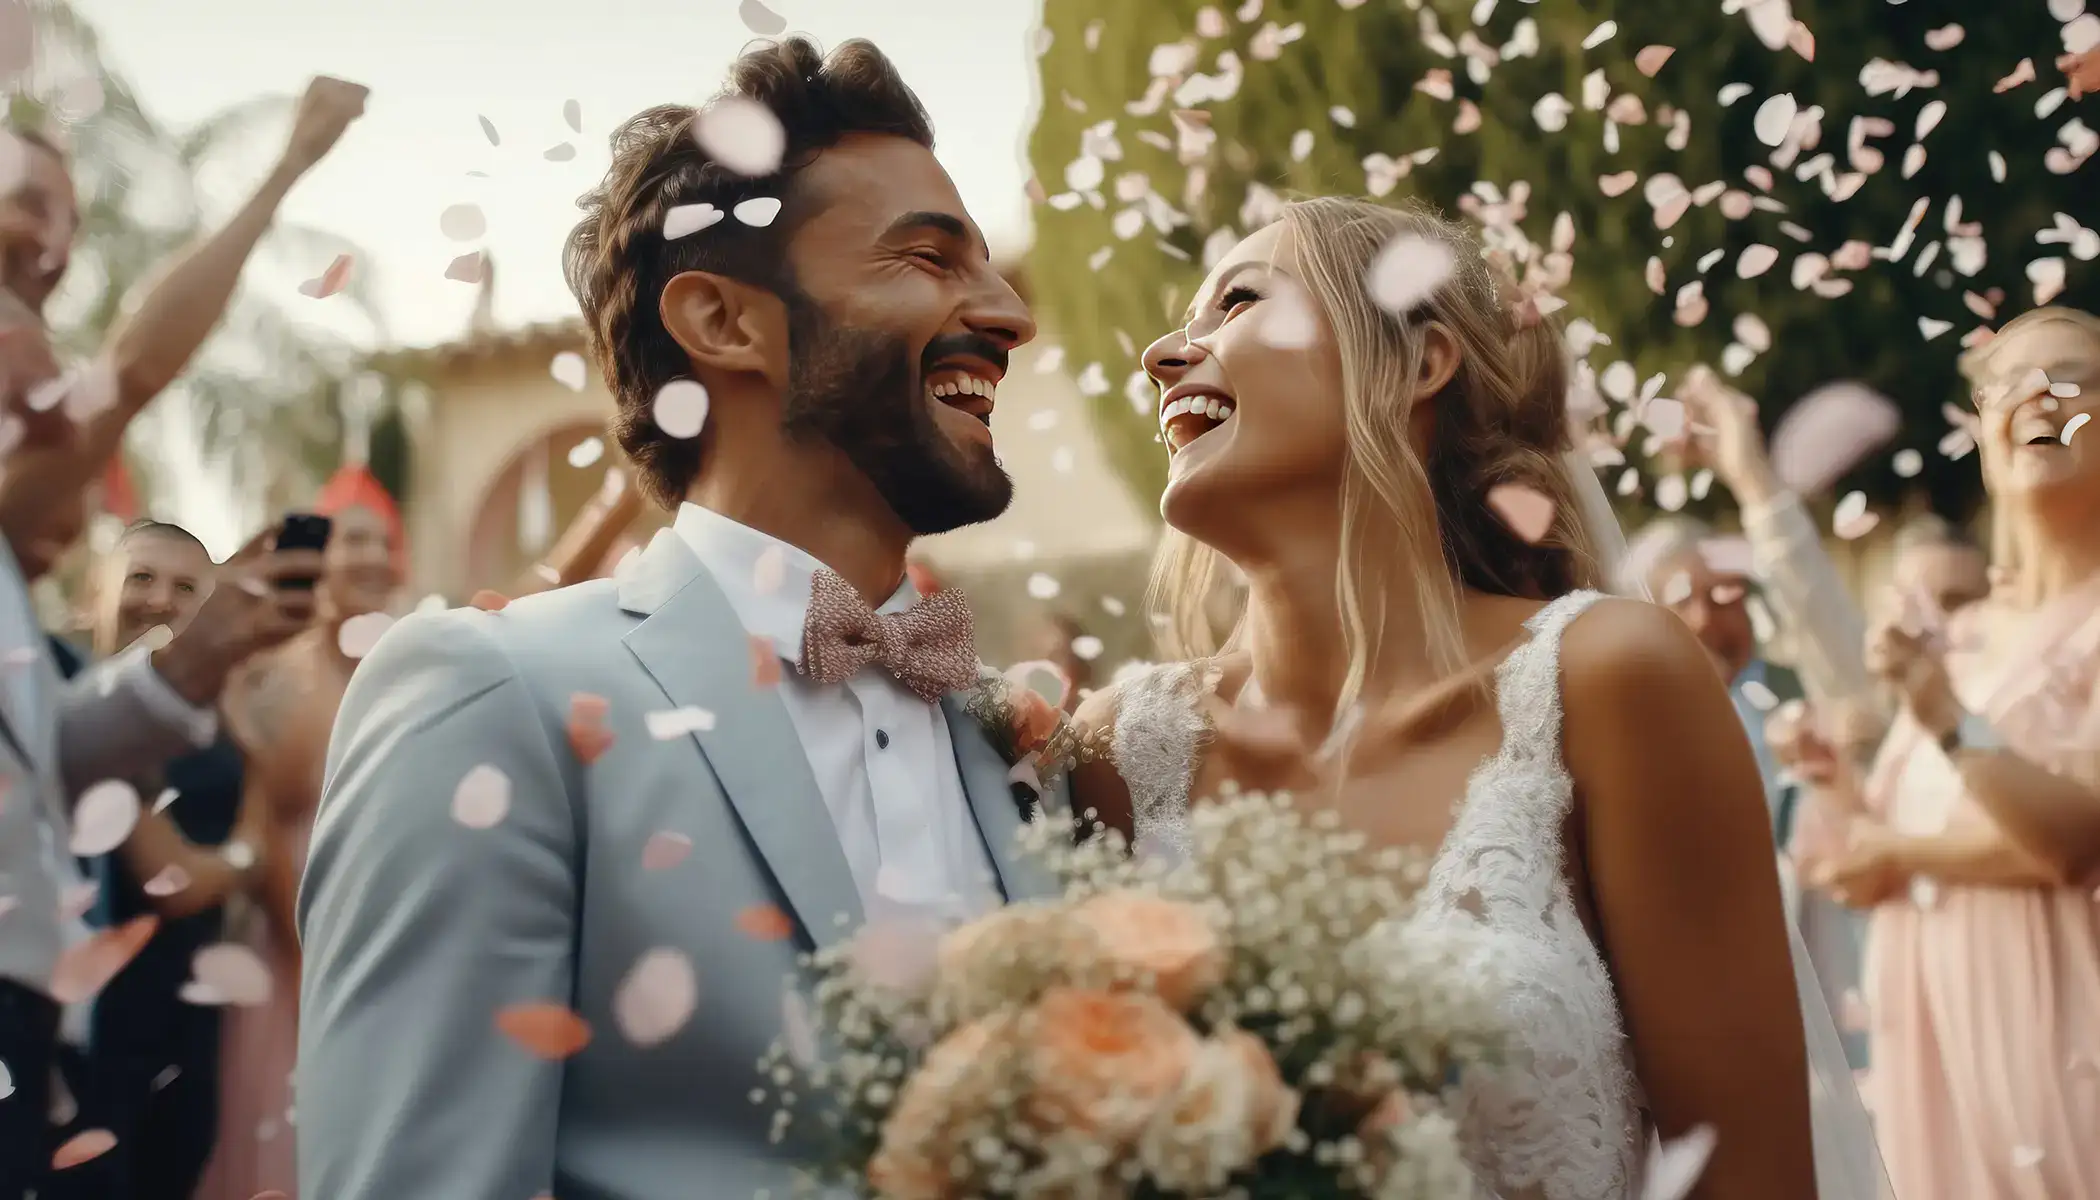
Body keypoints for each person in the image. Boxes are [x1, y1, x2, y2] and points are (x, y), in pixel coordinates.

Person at [297, 37, 1058, 1200]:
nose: (1006, 312)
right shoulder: (496, 695)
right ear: (723, 321)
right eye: (927, 258)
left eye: (989, 268)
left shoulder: (1013, 737)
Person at [1069, 197, 1886, 1198]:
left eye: (1238, 301)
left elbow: (1750, 1180)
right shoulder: (1116, 757)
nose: (1163, 353)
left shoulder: (1609, 682)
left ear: (1420, 364)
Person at [1792, 306, 2100, 1200]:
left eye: (2071, 377)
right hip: (1931, 1044)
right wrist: (1834, 783)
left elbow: (2079, 838)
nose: (2035, 395)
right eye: (2007, 383)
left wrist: (1944, 717)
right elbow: (1870, 865)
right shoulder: (1960, 639)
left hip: (2062, 1035)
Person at [53, 520, 304, 1200]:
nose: (160, 599)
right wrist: (243, 857)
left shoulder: (221, 726)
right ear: (92, 597)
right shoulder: (81, 723)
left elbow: (262, 834)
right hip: (95, 1045)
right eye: (141, 578)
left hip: (191, 1031)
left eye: (186, 587)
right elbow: (178, 883)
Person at [194, 468, 399, 1200]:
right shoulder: (288, 676)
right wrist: (311, 966)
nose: (373, 557)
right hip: (300, 957)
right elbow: (276, 838)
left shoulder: (401, 663)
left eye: (383, 540)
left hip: (377, 952)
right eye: (352, 540)